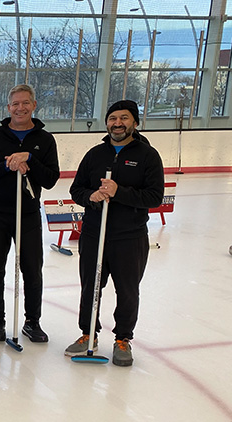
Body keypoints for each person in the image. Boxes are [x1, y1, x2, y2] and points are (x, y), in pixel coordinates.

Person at [65, 100, 164, 367]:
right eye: (112, 118)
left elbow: (155, 197)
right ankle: (88, 334)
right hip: (94, 233)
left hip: (129, 237)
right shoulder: (95, 154)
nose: (117, 123)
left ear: (135, 122)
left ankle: (123, 339)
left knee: (127, 290)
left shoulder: (147, 155)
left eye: (124, 118)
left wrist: (119, 192)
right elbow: (76, 190)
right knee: (91, 288)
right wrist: (93, 196)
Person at [0, 84, 60, 344]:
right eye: (15, 104)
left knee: (33, 270)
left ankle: (32, 321)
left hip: (29, 215)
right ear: (8, 107)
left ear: (34, 105)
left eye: (25, 103)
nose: (20, 108)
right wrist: (7, 165)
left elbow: (51, 179)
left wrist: (30, 159)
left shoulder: (44, 140)